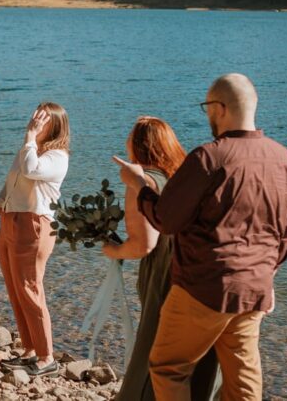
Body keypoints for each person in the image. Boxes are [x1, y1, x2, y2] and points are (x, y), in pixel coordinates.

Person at [117, 74, 287, 401]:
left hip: (204, 288)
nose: (208, 116)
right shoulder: (282, 158)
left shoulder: (209, 157)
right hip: (254, 289)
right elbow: (286, 234)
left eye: (207, 108)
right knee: (242, 383)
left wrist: (140, 186)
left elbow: (167, 219)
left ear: (220, 108)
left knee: (168, 367)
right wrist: (265, 275)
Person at [103, 117, 220, 401]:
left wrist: (113, 251)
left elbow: (144, 245)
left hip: (163, 273)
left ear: (138, 145)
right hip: (192, 267)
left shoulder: (142, 181)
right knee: (189, 347)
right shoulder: (181, 178)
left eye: (130, 136)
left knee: (154, 343)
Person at [0, 102, 70, 378]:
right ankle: (30, 350)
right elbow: (8, 189)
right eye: (35, 114)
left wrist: (30, 137)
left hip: (34, 226)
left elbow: (31, 170)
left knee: (30, 289)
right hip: (10, 221)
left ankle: (46, 357)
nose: (35, 120)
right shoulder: (28, 150)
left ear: (54, 125)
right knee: (16, 289)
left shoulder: (57, 156)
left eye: (42, 117)